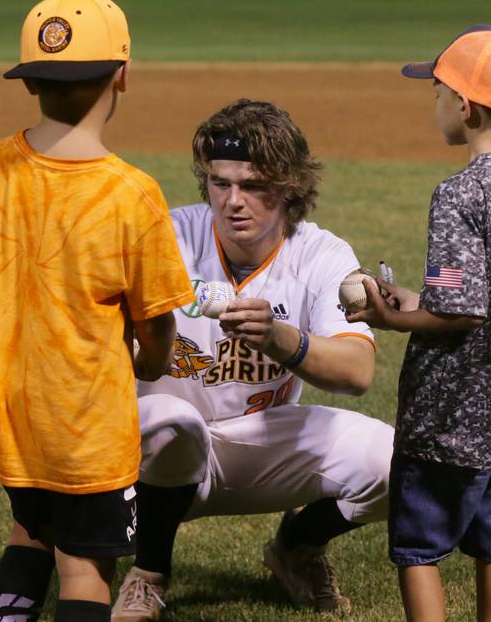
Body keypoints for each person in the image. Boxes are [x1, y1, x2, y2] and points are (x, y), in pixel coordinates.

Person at [0, 0, 194, 622]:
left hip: (9, 415)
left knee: (32, 530)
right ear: (123, 74)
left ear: (31, 83)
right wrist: (154, 362)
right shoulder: (132, 193)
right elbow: (155, 322)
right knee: (84, 563)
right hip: (85, 423)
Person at [112, 99, 395, 620]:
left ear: (289, 187)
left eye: (253, 185)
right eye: (221, 183)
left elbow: (357, 372)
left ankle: (298, 546)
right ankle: (149, 571)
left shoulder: (320, 254)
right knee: (177, 422)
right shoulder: (167, 238)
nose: (233, 201)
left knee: (395, 461)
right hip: (151, 451)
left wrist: (281, 339)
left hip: (261, 443)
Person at [347, 25, 491, 622]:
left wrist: (389, 316)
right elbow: (485, 296)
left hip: (450, 411)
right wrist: (414, 297)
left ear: (463, 105)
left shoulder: (460, 192)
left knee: (418, 548)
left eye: (437, 92)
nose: (434, 103)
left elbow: (459, 310)